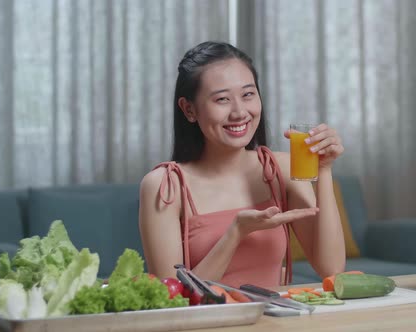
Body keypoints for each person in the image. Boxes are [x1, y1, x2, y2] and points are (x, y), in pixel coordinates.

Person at [139, 41, 345, 287]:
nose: (239, 112)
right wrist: (235, 233)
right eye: (222, 99)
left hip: (274, 323)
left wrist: (324, 169)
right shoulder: (165, 185)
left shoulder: (279, 170)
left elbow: (331, 268)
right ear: (189, 109)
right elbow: (173, 298)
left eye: (248, 94)